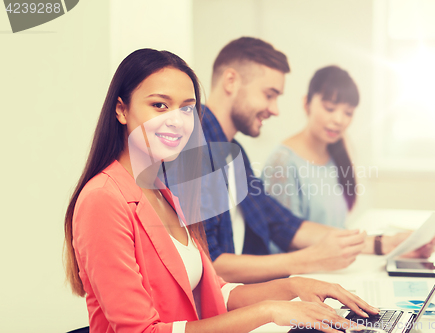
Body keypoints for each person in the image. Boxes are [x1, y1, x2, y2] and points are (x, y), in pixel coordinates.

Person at [63, 48, 378, 333]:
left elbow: (217, 291)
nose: (176, 120)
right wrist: (271, 310)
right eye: (159, 105)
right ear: (121, 110)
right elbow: (141, 331)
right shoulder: (103, 198)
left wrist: (294, 287)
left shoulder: (163, 192)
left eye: (187, 109)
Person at [201, 37, 435, 284]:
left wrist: (384, 244)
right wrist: (311, 259)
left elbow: (282, 224)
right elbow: (209, 264)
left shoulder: (232, 152)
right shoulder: (193, 152)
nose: (275, 109)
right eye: (269, 95)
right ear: (231, 81)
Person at [261, 66, 435, 255]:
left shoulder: (335, 155)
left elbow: (336, 230)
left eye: (348, 112)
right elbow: (284, 240)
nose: (339, 120)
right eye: (329, 108)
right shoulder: (282, 163)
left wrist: (392, 245)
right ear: (307, 104)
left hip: (333, 266)